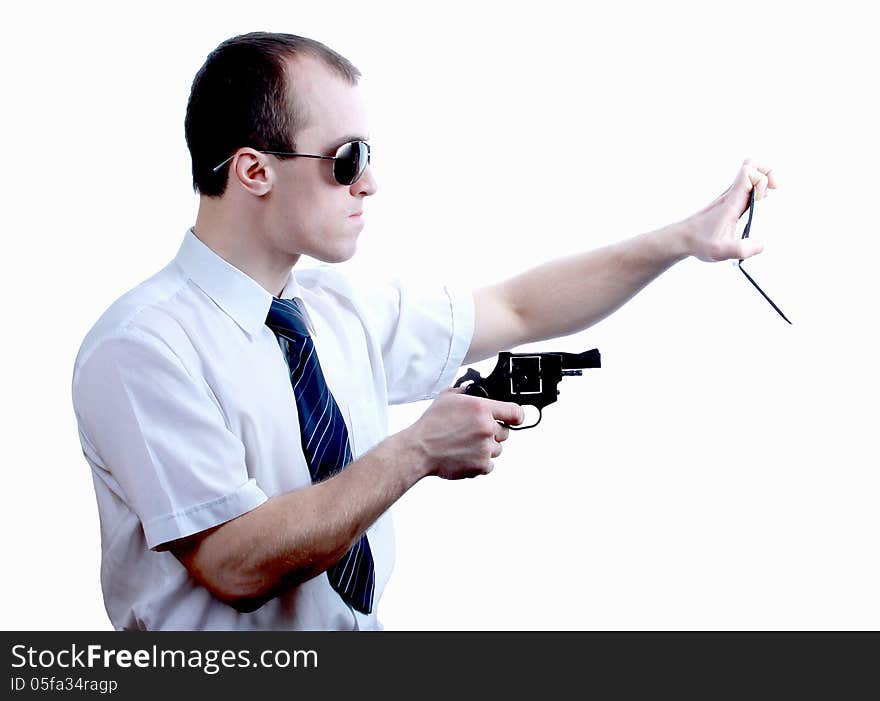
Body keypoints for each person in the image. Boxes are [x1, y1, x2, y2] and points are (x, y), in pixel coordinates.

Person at [71, 31, 776, 631]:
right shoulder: (142, 347)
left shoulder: (332, 308)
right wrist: (414, 452)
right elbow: (235, 561)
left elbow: (520, 309)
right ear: (254, 170)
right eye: (346, 161)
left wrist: (683, 239)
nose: (369, 184)